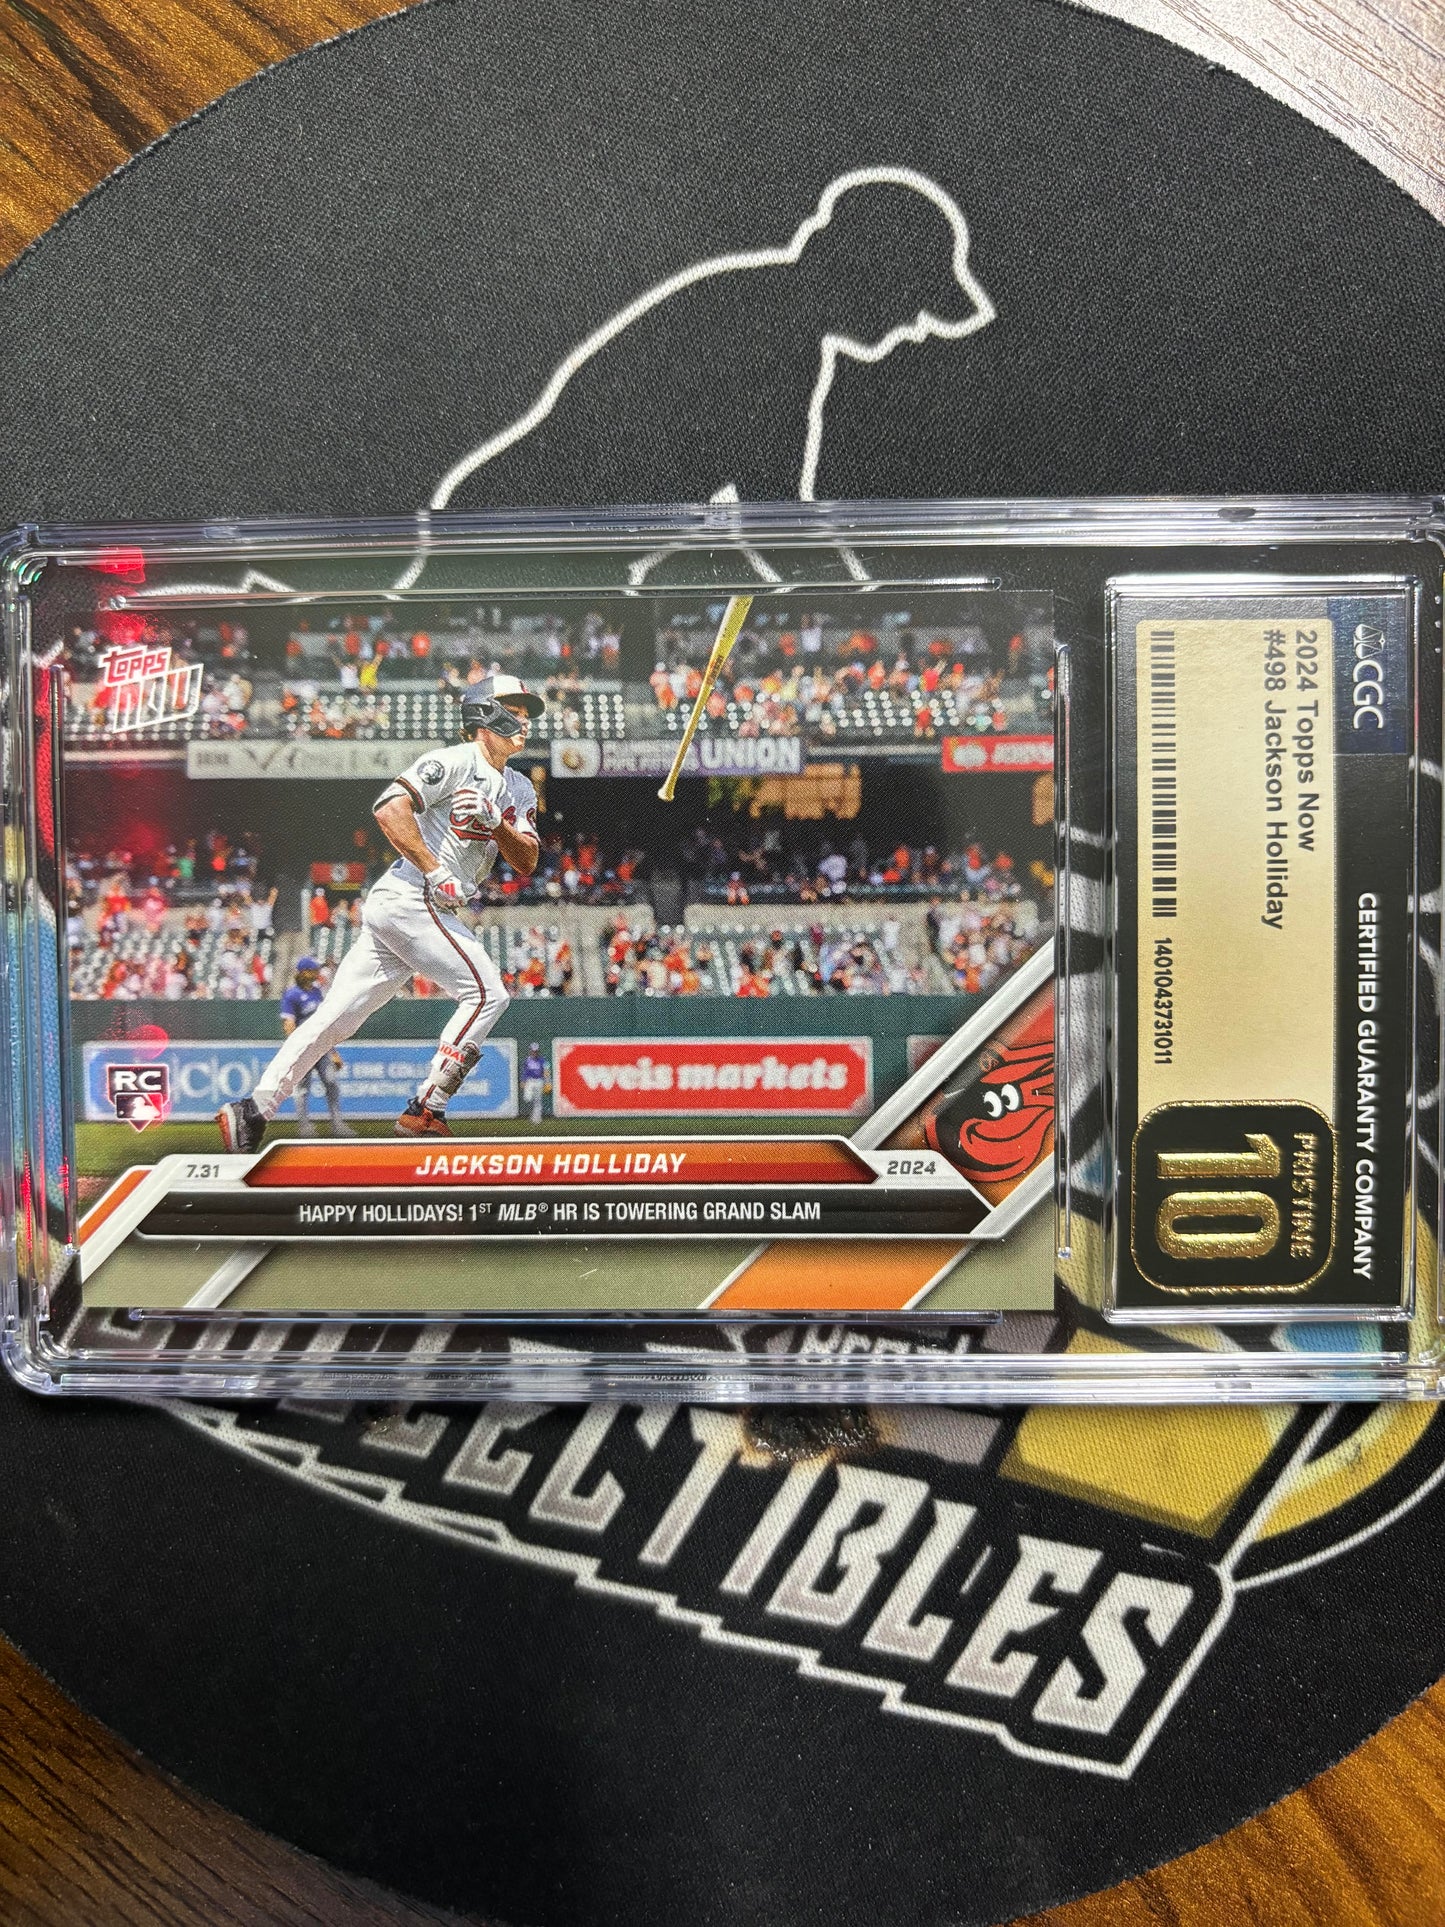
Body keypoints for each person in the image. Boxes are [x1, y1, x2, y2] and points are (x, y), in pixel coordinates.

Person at [215, 675, 544, 1150]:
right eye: (515, 710)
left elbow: (527, 860)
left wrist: (497, 824)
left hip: (411, 907)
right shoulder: (453, 761)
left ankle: (252, 1110)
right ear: (485, 713)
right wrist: (435, 869)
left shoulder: (518, 787)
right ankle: (427, 1106)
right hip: (414, 895)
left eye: (527, 712)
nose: (525, 721)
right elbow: (389, 809)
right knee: (487, 994)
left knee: (336, 1018)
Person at [277, 956, 354, 1137]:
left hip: (321, 1048)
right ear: (304, 972)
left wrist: (333, 1052)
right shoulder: (292, 994)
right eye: (313, 970)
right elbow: (288, 1024)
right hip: (303, 1050)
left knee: (331, 1082)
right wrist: (296, 1050)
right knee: (302, 1088)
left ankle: (337, 1125)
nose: (317, 973)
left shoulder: (317, 992)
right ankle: (304, 1127)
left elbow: (324, 1025)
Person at [521, 1041, 547, 1124]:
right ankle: (532, 1114)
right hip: (530, 1081)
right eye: (533, 1051)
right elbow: (525, 1071)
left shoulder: (542, 1060)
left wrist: (547, 1082)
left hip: (539, 1080)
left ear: (538, 1051)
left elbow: (546, 1072)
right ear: (530, 1051)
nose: (534, 1052)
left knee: (537, 1100)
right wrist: (523, 1080)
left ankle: (536, 1119)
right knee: (527, 1098)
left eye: (536, 1051)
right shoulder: (527, 1060)